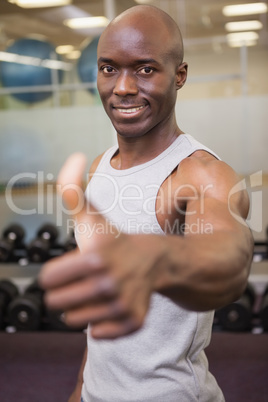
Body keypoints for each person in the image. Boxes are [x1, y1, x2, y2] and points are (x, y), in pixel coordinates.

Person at [39, 5, 254, 402]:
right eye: (109, 68)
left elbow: (230, 256)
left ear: (180, 76)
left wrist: (157, 256)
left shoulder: (201, 174)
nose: (122, 87)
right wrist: (82, 387)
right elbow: (109, 306)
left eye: (145, 69)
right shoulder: (100, 167)